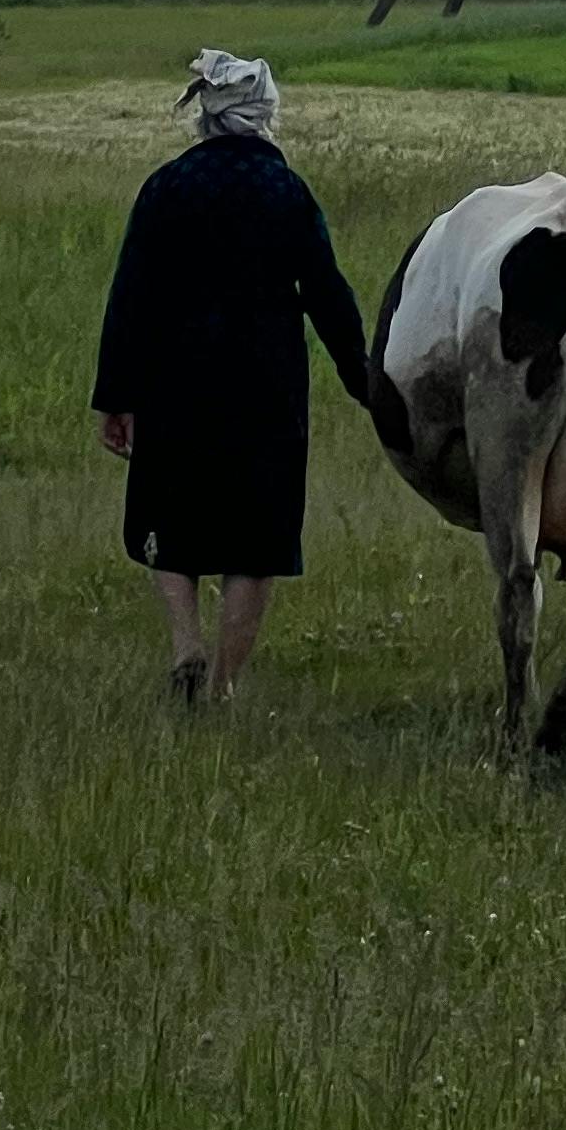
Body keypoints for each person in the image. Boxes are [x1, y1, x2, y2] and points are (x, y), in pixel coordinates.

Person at [91, 49, 372, 707]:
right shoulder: (288, 193)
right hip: (266, 384)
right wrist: (361, 377)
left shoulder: (166, 187)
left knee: (169, 516)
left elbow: (129, 295)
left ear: (208, 115)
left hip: (174, 378)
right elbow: (327, 290)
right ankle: (220, 686)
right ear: (263, 116)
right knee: (256, 537)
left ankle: (186, 641)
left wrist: (117, 399)